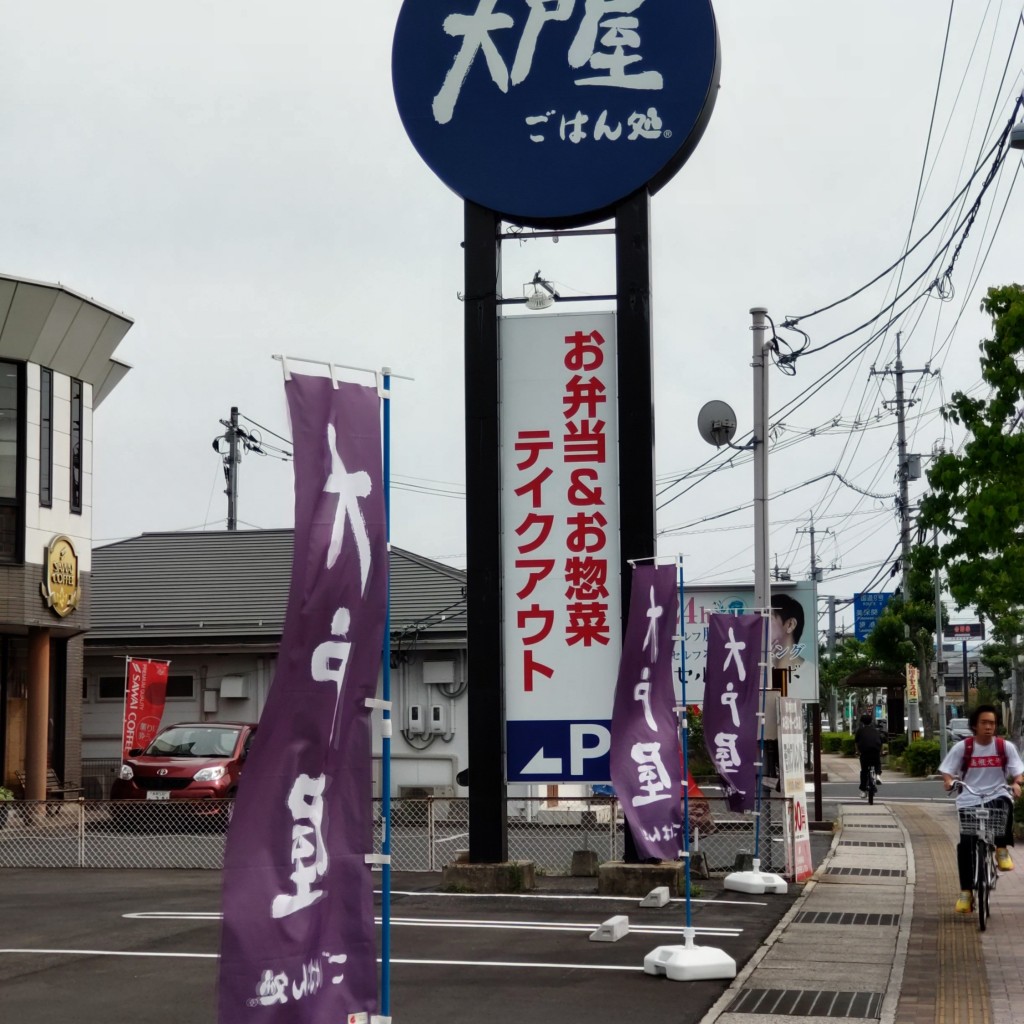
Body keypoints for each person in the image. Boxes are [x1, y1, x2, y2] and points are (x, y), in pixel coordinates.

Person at [939, 704, 1024, 914]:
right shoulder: (963, 748)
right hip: (970, 797)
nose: (989, 727)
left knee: (1005, 805)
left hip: (997, 792)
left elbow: (1017, 772)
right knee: (966, 843)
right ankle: (966, 893)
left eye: (992, 723)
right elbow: (947, 771)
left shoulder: (1005, 747)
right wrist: (949, 781)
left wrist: (1017, 784)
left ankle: (1001, 849)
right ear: (975, 726)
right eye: (984, 723)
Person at [770, 593, 805, 671]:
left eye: (768, 618)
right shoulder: (758, 669)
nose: (761, 624)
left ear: (790, 625)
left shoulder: (810, 673)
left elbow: (780, 683)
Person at [854, 713, 883, 797]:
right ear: (871, 722)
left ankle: (863, 791)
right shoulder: (876, 731)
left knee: (864, 771)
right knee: (877, 762)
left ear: (862, 722)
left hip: (865, 752)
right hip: (875, 751)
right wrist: (881, 752)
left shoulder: (860, 731)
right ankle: (878, 775)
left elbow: (856, 743)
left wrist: (857, 752)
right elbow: (880, 743)